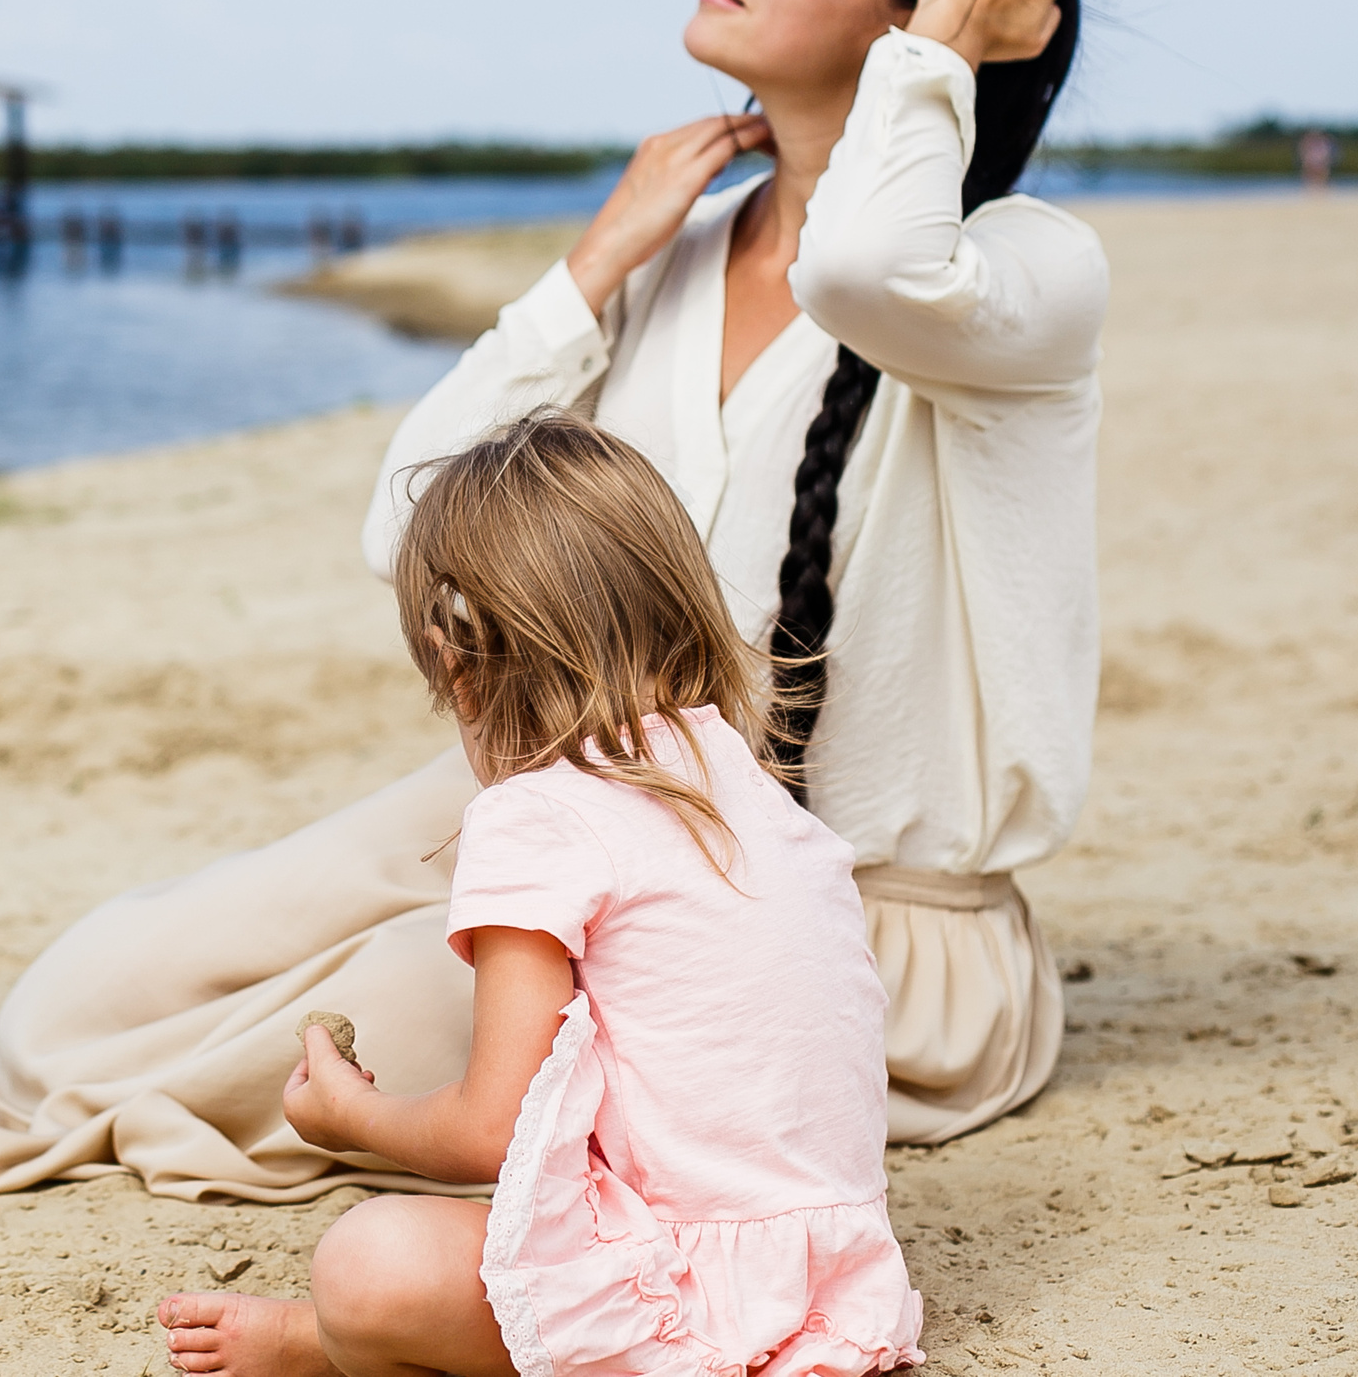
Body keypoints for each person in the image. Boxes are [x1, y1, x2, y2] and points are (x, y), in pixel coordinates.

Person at [0, 0, 1104, 1197]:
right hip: (576, 820)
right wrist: (593, 266)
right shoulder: (670, 272)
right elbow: (412, 529)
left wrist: (938, 59)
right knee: (75, 1004)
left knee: (293, 1047)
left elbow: (864, 269)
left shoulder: (1021, 278)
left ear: (922, 16)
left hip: (840, 930)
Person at [161, 413, 922, 1377]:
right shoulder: (751, 787)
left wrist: (352, 1117)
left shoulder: (538, 816)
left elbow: (492, 1129)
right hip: (834, 1284)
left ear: (456, 665)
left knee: (369, 1261)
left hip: (687, 1293)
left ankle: (327, 1342)